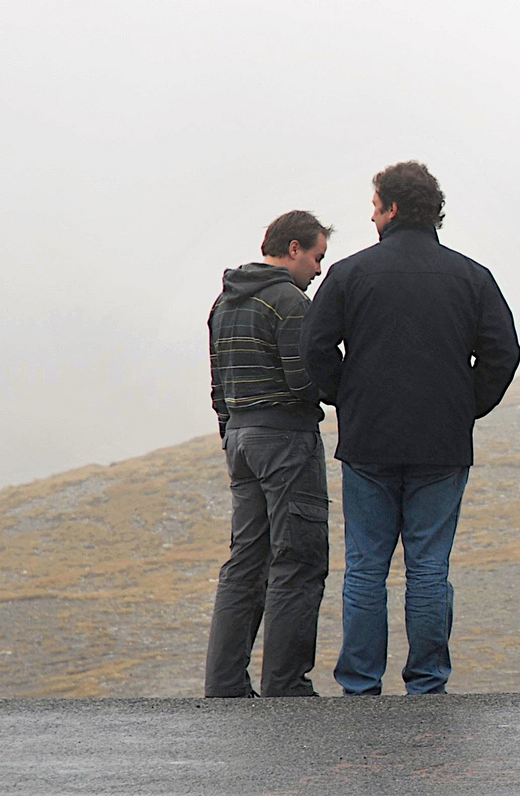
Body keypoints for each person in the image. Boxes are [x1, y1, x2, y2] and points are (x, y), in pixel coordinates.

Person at [303, 161, 520, 695]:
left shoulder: (350, 273)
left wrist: (346, 398)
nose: (371, 214)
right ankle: (427, 684)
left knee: (365, 569)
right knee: (428, 569)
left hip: (369, 441)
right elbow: (503, 352)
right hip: (442, 444)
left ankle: (360, 685)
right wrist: (466, 405)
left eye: (374, 204)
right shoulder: (472, 276)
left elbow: (313, 350)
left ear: (393, 208)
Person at [204, 210, 334, 698]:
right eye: (317, 257)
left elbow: (218, 384)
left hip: (239, 439)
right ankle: (286, 685)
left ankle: (224, 685)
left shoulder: (225, 301)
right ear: (295, 248)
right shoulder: (289, 302)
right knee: (297, 560)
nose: (318, 270)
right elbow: (304, 382)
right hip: (285, 440)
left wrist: (230, 432)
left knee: (245, 562)